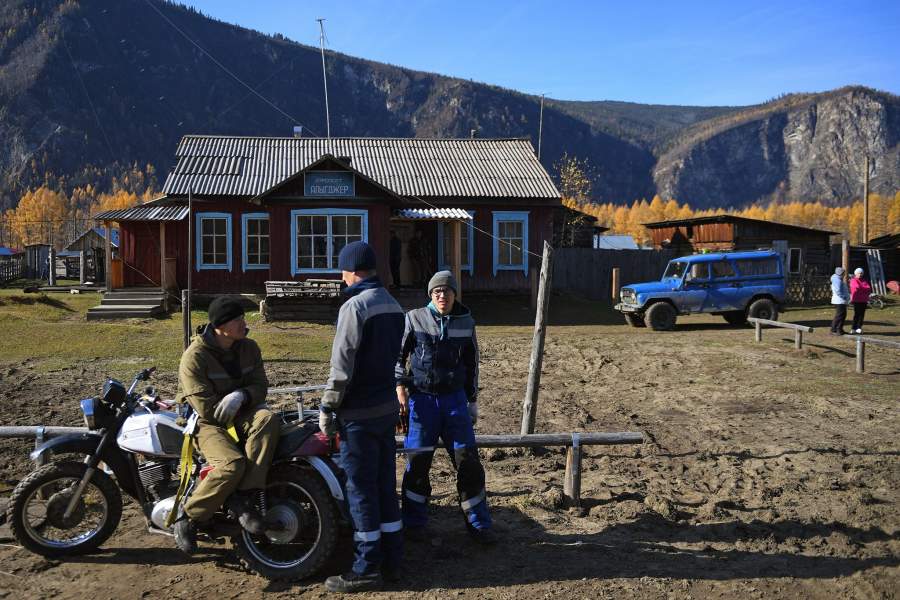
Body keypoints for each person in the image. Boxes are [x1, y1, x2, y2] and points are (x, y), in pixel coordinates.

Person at [319, 241, 405, 593]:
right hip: (386, 409)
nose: (341, 278)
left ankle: (367, 566)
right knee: (386, 486)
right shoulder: (394, 304)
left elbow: (343, 365)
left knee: (361, 490)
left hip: (358, 415)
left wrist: (327, 406)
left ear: (351, 271)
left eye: (342, 271)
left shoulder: (355, 306)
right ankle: (393, 558)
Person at [395, 270, 495, 545]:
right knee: (417, 464)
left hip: (454, 403)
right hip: (422, 403)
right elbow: (397, 356)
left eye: (447, 291)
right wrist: (400, 388)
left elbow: (472, 364)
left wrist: (472, 400)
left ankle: (479, 525)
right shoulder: (413, 318)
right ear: (431, 294)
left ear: (454, 294)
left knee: (469, 464)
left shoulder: (466, 321)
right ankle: (414, 524)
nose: (442, 296)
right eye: (437, 291)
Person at [173, 296, 280, 554]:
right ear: (220, 326)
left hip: (241, 412)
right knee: (231, 465)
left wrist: (242, 396)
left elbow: (260, 386)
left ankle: (243, 499)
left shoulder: (249, 348)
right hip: (206, 422)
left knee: (268, 419)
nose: (244, 323)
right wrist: (234, 403)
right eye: (238, 319)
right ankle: (188, 517)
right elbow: (206, 410)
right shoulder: (194, 357)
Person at [849, 267, 871, 334]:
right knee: (857, 314)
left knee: (862, 314)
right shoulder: (853, 280)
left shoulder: (864, 281)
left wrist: (861, 289)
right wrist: (863, 289)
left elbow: (868, 288)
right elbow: (856, 288)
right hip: (857, 300)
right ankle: (853, 328)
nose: (860, 274)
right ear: (856, 273)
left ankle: (859, 327)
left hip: (864, 300)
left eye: (861, 273)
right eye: (859, 273)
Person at [830, 266, 851, 335]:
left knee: (842, 315)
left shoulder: (838, 279)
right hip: (839, 300)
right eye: (843, 273)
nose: (844, 274)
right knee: (840, 315)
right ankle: (834, 329)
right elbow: (838, 290)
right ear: (841, 273)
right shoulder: (837, 280)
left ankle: (839, 329)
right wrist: (844, 297)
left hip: (840, 300)